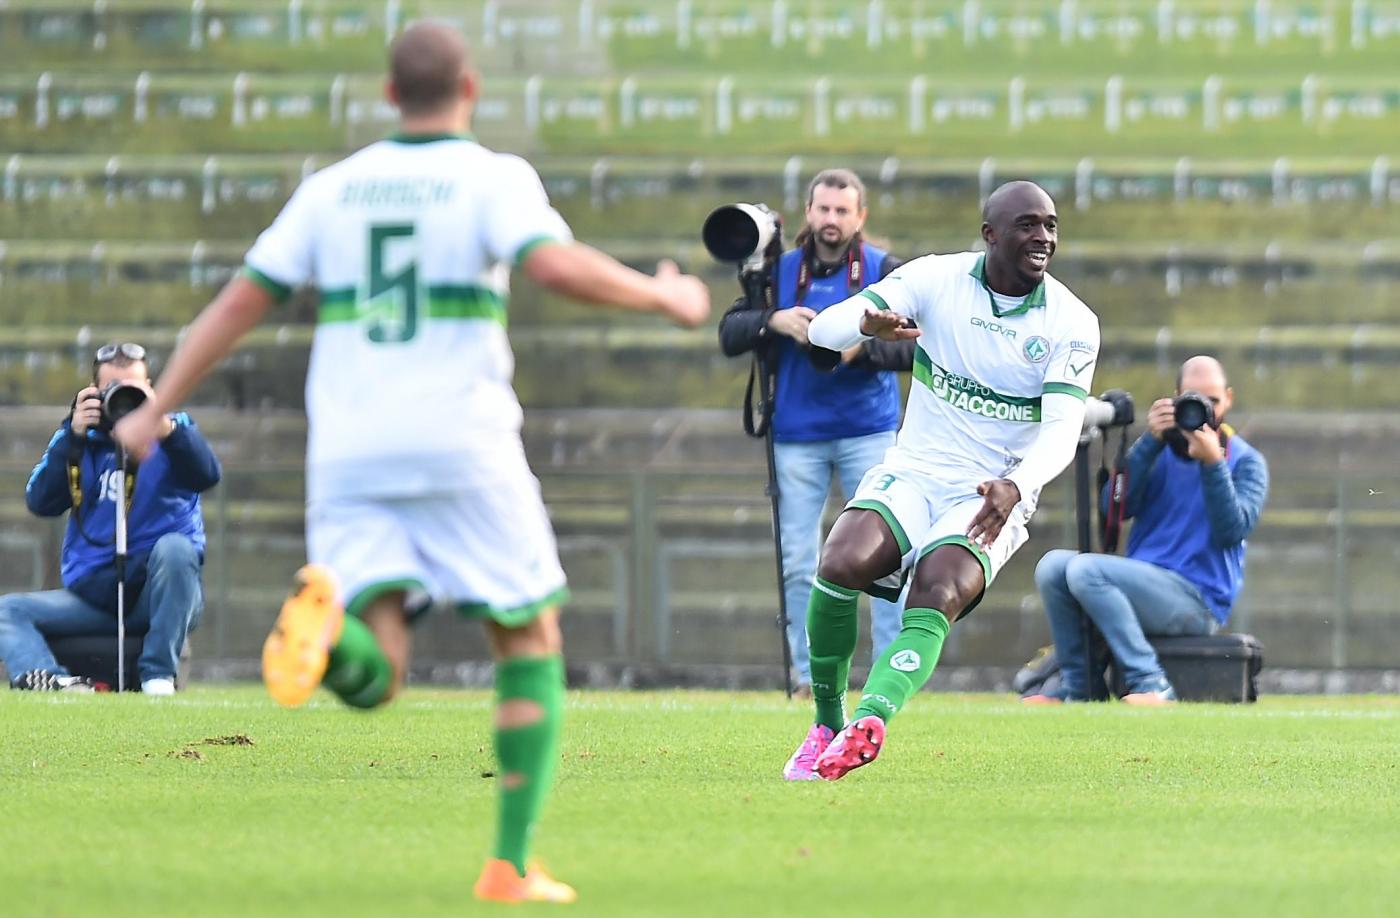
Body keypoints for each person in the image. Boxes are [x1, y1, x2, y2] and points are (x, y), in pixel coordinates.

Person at [114, 21, 708, 906]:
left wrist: (157, 405)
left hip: (350, 451)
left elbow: (240, 303)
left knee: (381, 670)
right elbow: (553, 266)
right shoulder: (492, 177)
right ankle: (509, 866)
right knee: (527, 635)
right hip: (461, 441)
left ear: (389, 94)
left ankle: (328, 638)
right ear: (470, 88)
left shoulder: (332, 190)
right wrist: (663, 294)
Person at [780, 180, 1100, 781]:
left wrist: (1018, 485)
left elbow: (1062, 429)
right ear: (990, 235)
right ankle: (825, 723)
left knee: (939, 588)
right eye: (1028, 225)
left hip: (993, 491)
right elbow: (824, 331)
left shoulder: (1073, 321)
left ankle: (869, 721)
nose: (1043, 237)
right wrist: (863, 327)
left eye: (1051, 225)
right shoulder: (936, 278)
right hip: (916, 471)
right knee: (840, 560)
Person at [718, 168, 914, 699]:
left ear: (860, 216)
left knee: (888, 558)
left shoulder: (884, 271)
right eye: (823, 209)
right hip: (797, 435)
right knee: (799, 561)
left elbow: (916, 346)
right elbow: (729, 333)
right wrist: (773, 320)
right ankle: (809, 678)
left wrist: (858, 349)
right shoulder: (776, 272)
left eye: (842, 211)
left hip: (868, 432)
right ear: (808, 211)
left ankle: (887, 676)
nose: (831, 220)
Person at [1029, 356, 1268, 705]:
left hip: (1197, 599)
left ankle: (1153, 683)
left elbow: (1232, 530)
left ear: (1228, 399)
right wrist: (1149, 442)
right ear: (1176, 398)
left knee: (1086, 570)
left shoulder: (1246, 462)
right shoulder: (1157, 450)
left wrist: (1213, 464)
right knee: (1052, 567)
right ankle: (1079, 689)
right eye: (1194, 399)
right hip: (1141, 585)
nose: (1204, 410)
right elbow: (1114, 509)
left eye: (1213, 400)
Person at [0, 343, 219, 695]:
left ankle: (158, 678)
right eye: (113, 389)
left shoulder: (175, 430)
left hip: (161, 595)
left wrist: (161, 426)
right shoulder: (78, 439)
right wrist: (71, 437)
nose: (124, 399)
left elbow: (207, 474)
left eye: (134, 389)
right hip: (95, 598)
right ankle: (55, 682)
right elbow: (40, 502)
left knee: (176, 549)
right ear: (93, 393)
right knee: (7, 610)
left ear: (151, 388)